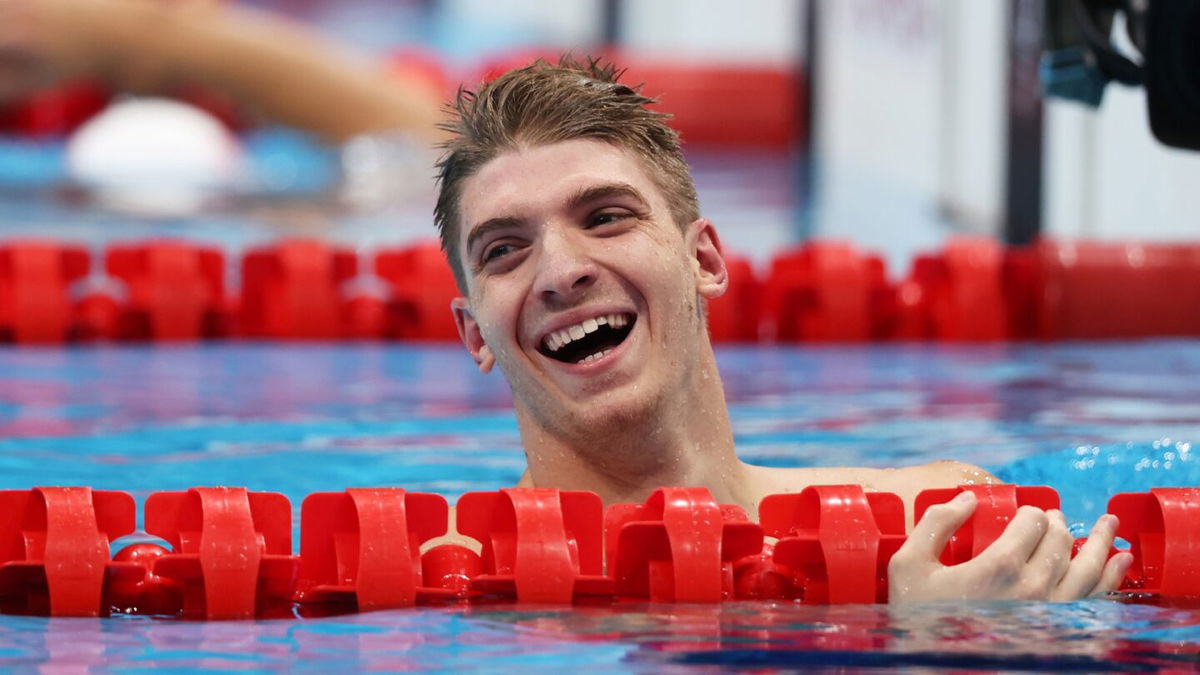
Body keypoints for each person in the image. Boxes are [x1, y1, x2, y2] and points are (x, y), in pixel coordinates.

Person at [433, 56, 1133, 603]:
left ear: (704, 260)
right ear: (473, 336)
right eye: (504, 250)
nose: (559, 271)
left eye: (606, 216)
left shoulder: (943, 516)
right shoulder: (440, 573)